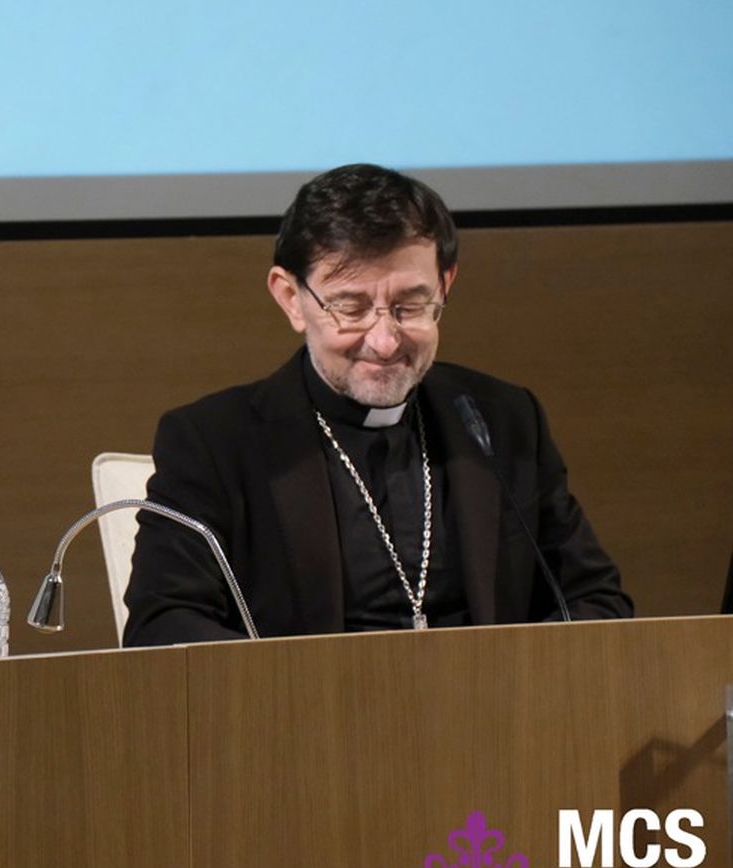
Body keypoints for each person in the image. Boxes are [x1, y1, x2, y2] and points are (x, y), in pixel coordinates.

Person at [122, 163, 632, 645]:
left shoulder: (502, 419)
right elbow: (162, 625)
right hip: (309, 724)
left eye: (410, 306)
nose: (386, 342)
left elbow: (596, 601)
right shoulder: (214, 441)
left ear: (445, 285)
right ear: (291, 299)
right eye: (351, 307)